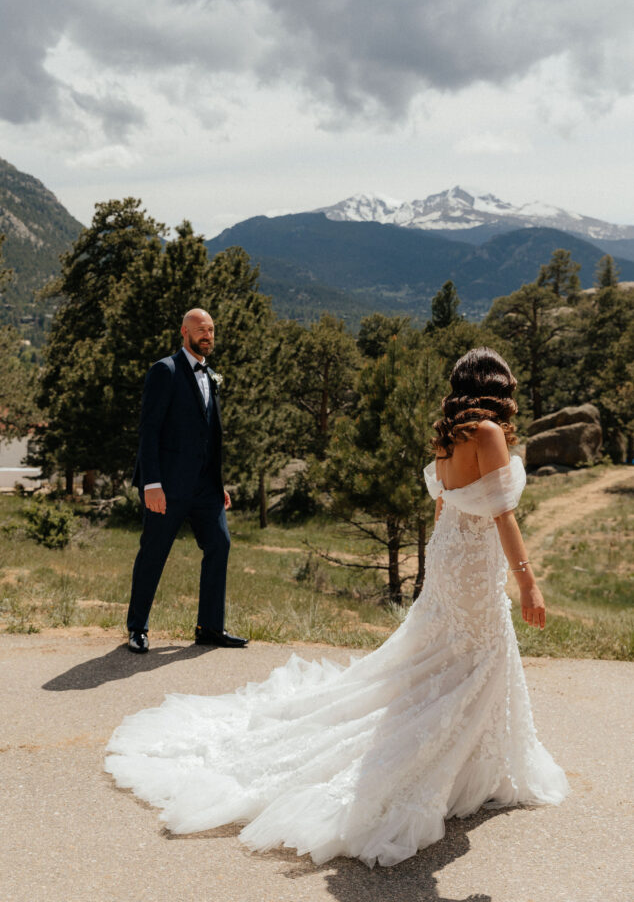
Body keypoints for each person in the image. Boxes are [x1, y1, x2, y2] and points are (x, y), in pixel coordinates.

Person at [107, 347, 567, 866]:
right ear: (496, 386)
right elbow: (503, 515)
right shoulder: (486, 434)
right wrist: (527, 584)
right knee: (475, 657)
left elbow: (443, 504)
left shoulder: (448, 434)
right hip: (473, 565)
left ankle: (471, 760)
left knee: (446, 657)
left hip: (448, 558)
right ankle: (467, 763)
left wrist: (446, 561)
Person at [126, 307, 248, 653]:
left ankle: (209, 628)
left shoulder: (210, 375)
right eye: (200, 330)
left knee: (220, 545)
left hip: (205, 488)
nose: (207, 336)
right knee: (153, 553)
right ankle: (137, 628)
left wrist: (218, 482)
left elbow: (209, 435)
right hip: (166, 487)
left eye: (210, 330)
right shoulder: (164, 370)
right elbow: (149, 431)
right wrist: (151, 483)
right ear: (184, 332)